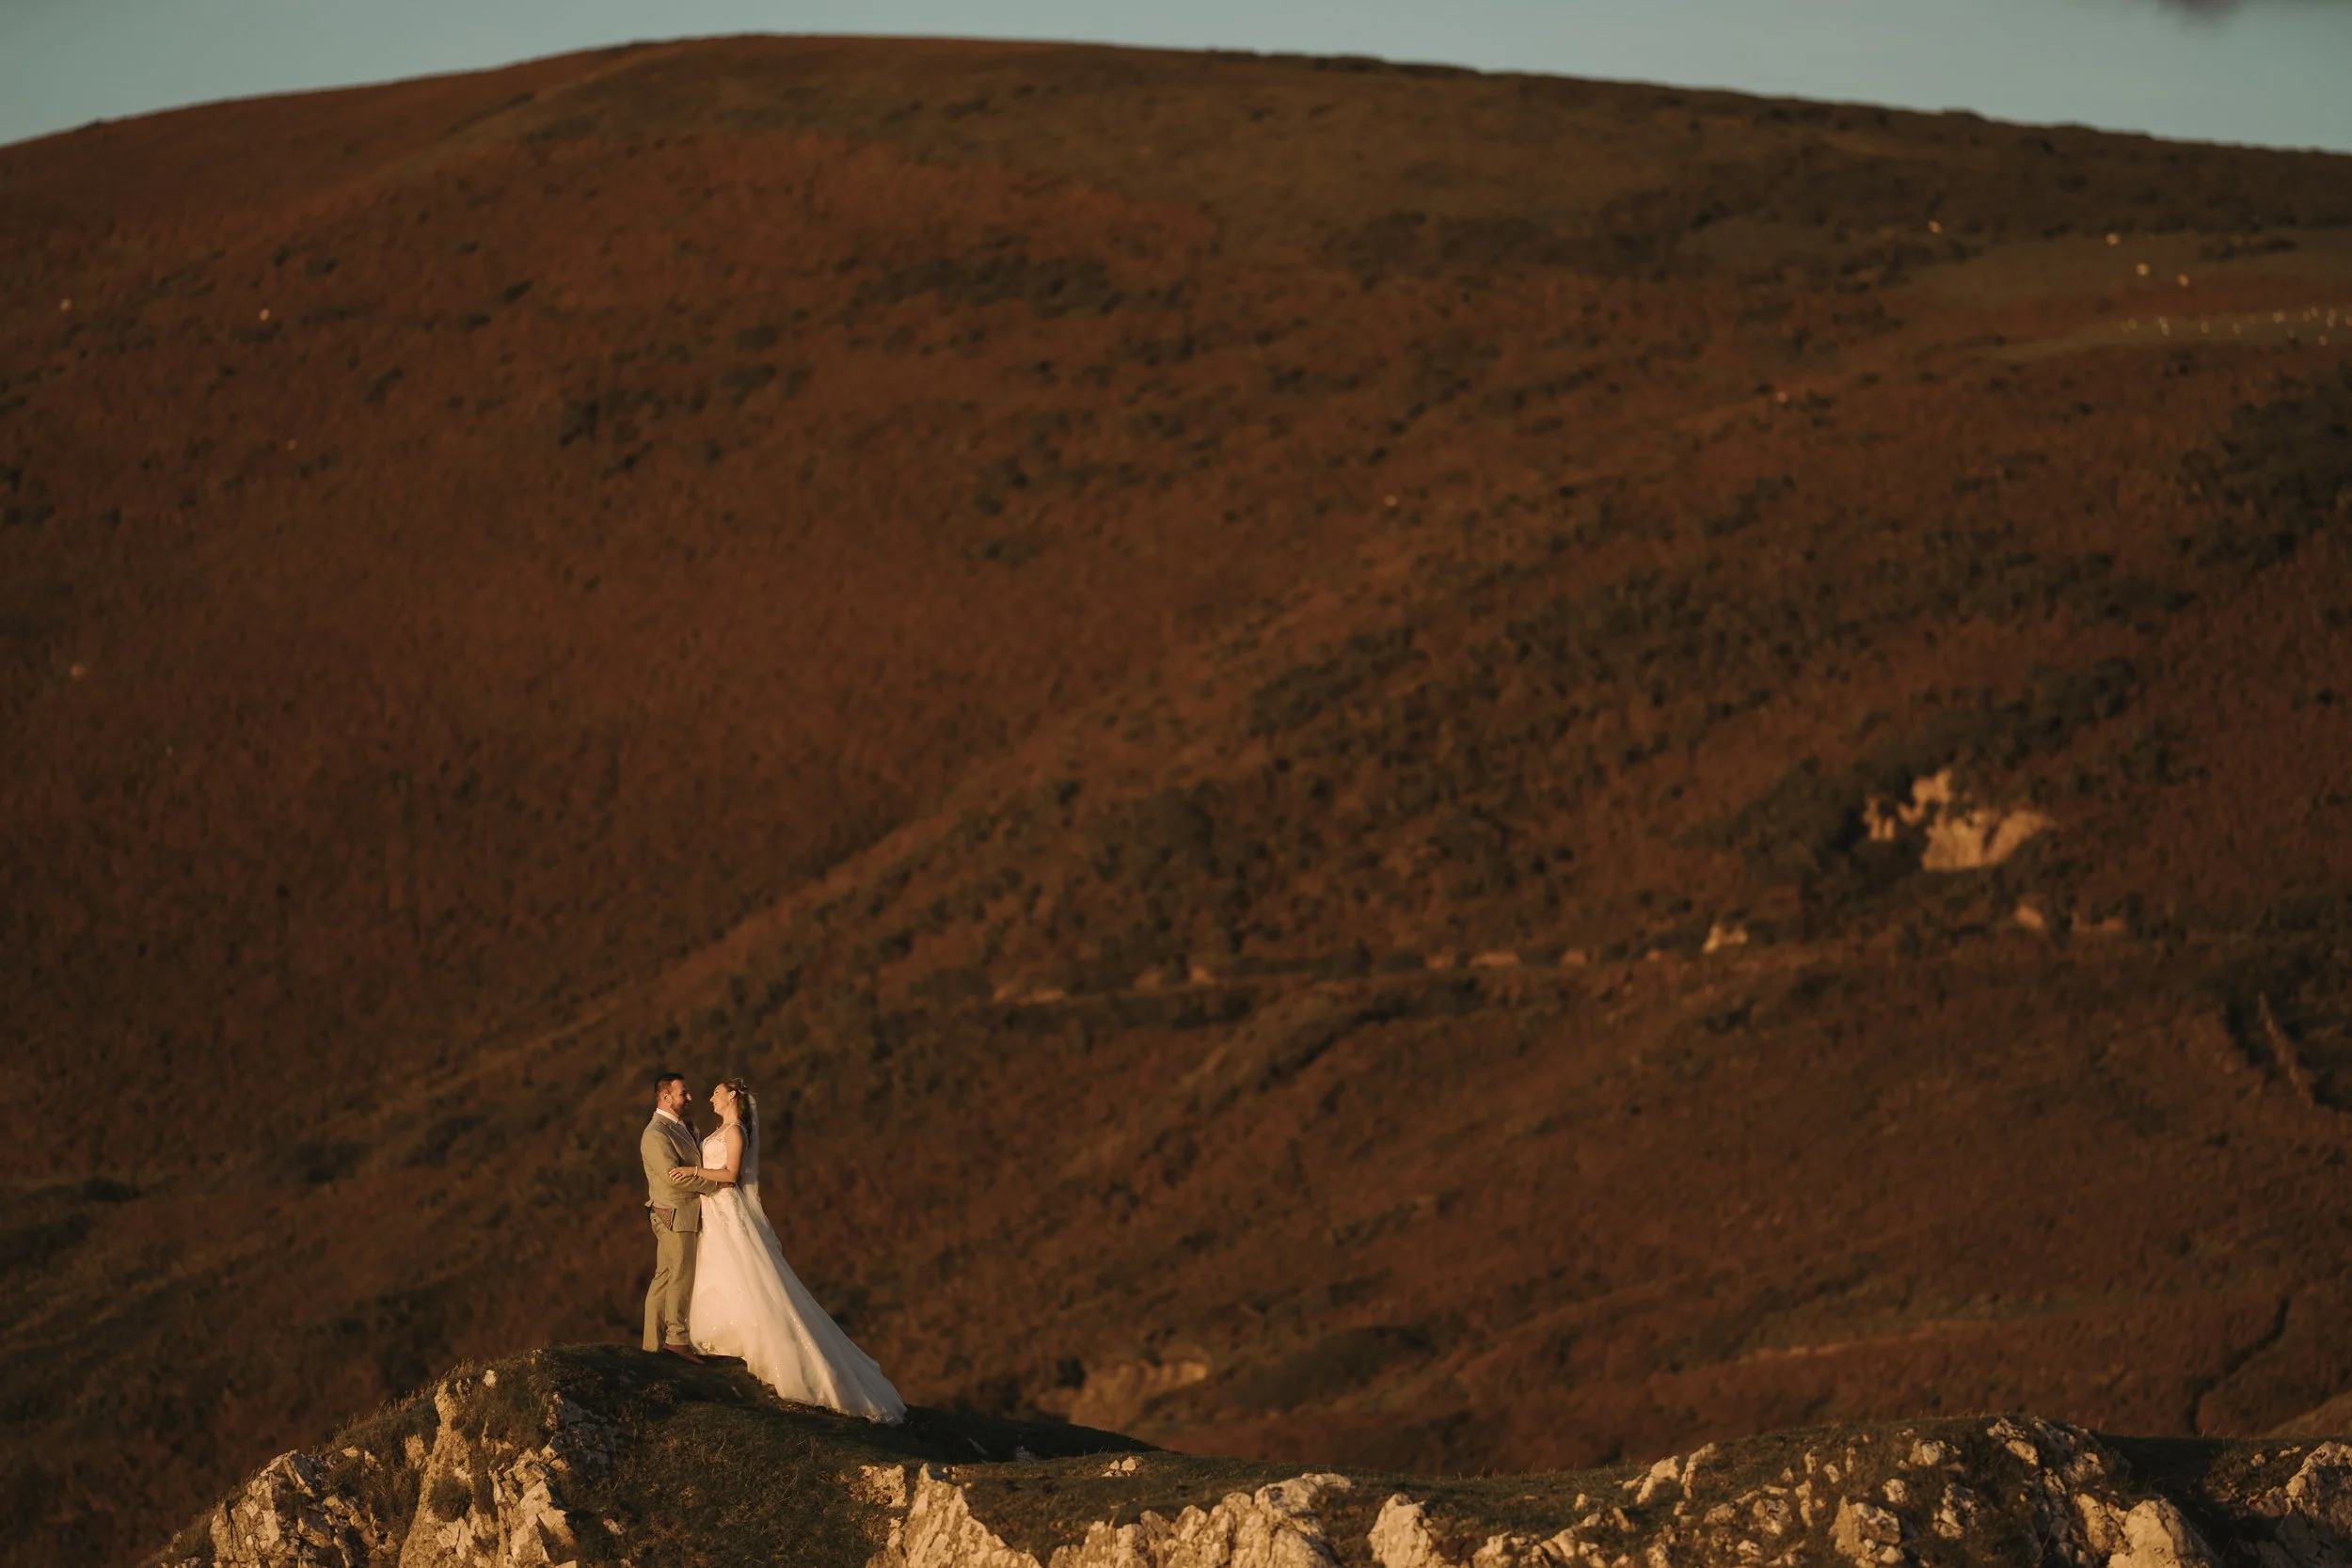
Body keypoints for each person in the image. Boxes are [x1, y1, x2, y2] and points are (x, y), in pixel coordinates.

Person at [667, 1077, 906, 1422]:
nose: (710, 1097)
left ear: (732, 1095)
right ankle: (724, 1341)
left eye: (716, 1092)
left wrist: (693, 1170)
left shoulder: (736, 1132)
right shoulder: (718, 1131)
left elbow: (731, 1175)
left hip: (726, 1207)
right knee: (719, 1269)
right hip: (713, 1210)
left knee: (745, 1273)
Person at [640, 1070, 725, 1360]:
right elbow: (673, 1177)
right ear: (665, 1097)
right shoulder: (655, 1134)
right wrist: (718, 1184)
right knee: (680, 1275)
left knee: (665, 1277)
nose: (689, 1098)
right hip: (675, 1212)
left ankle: (651, 1348)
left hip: (679, 1211)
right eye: (683, 1094)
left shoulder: (679, 1126)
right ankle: (676, 1341)